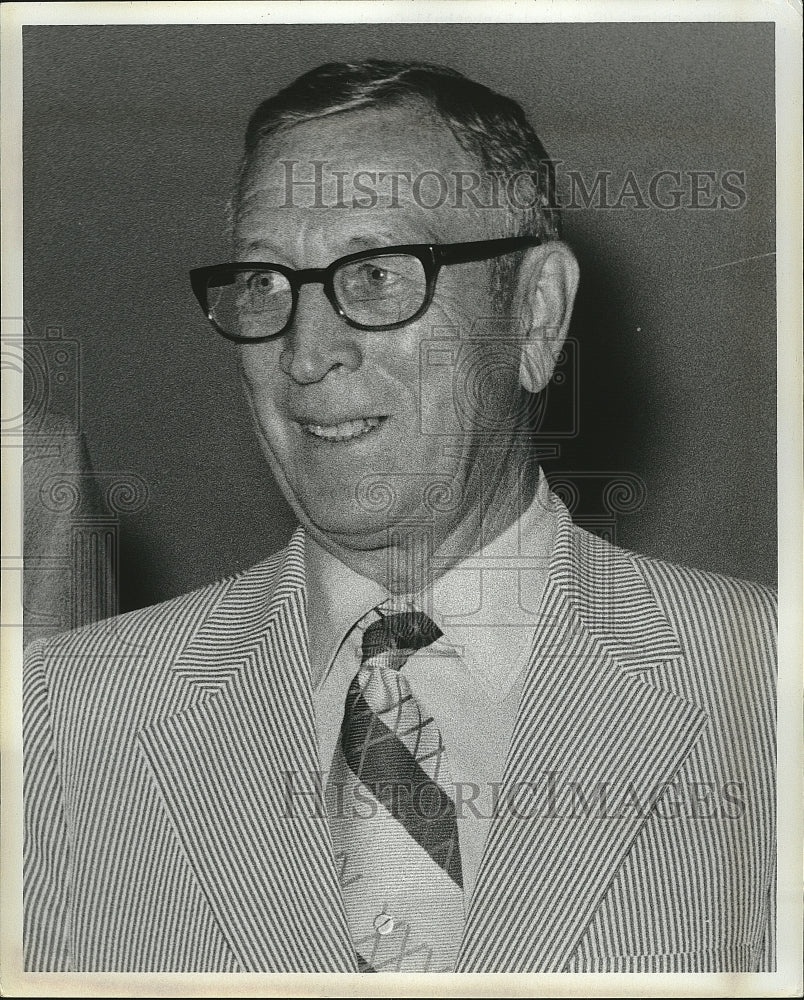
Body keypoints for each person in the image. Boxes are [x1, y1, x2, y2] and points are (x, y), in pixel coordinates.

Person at [23, 60, 776, 974]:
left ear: (535, 317)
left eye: (377, 273)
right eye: (264, 283)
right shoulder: (64, 714)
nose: (306, 354)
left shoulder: (766, 685)